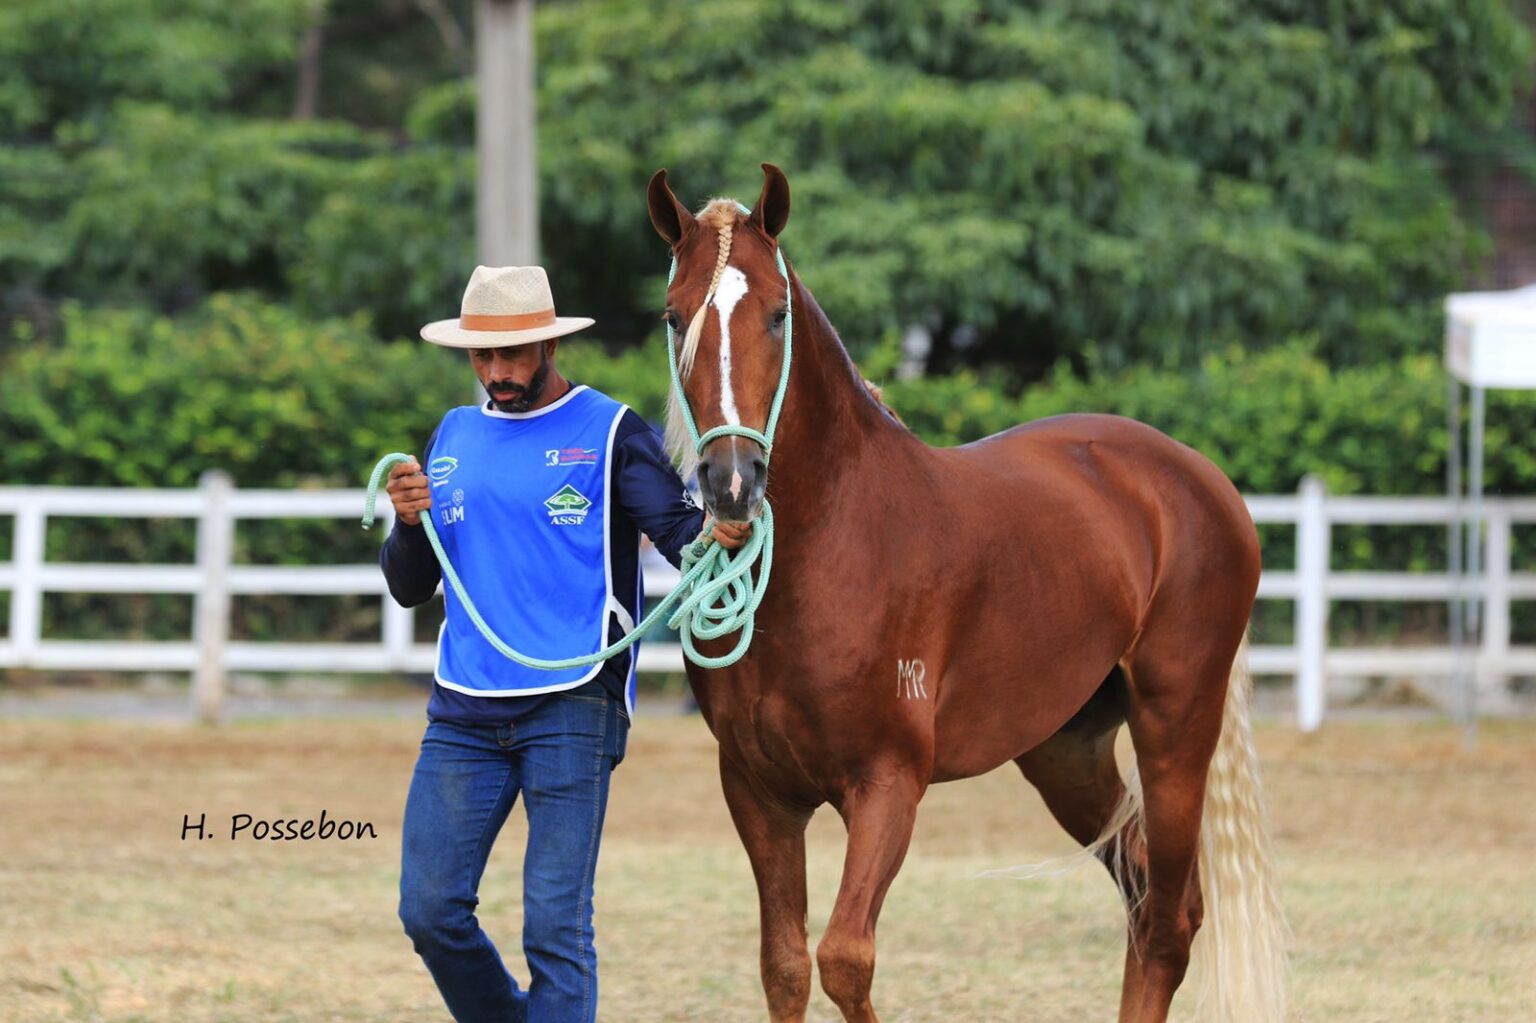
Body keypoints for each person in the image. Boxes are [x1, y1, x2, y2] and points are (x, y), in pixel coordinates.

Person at [381, 264, 749, 1023]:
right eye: (483, 357)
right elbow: (411, 585)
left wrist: (719, 530)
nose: (497, 372)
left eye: (513, 355)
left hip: (574, 703)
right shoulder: (452, 436)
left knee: (554, 926)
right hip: (463, 708)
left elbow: (683, 538)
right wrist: (409, 524)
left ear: (548, 345)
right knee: (428, 909)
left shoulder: (612, 430)